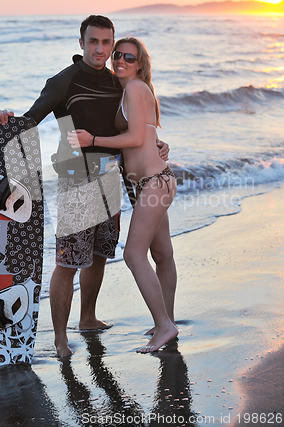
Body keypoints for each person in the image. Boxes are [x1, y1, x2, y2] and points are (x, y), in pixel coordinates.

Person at [0, 15, 169, 358]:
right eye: (93, 42)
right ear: (81, 43)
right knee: (68, 261)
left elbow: (136, 126)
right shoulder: (63, 81)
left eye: (107, 43)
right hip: (77, 180)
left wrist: (158, 145)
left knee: (101, 253)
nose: (100, 49)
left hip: (110, 178)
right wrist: (5, 118)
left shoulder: (118, 81)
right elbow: (30, 120)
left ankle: (88, 318)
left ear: (112, 44)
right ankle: (60, 338)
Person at [68, 37, 178, 353]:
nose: (120, 60)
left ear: (140, 63)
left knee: (133, 254)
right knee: (162, 255)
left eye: (128, 57)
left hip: (154, 183)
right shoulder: (132, 90)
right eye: (117, 54)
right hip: (156, 181)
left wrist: (91, 140)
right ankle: (166, 321)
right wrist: (160, 146)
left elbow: (135, 136)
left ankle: (164, 326)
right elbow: (148, 135)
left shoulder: (135, 88)